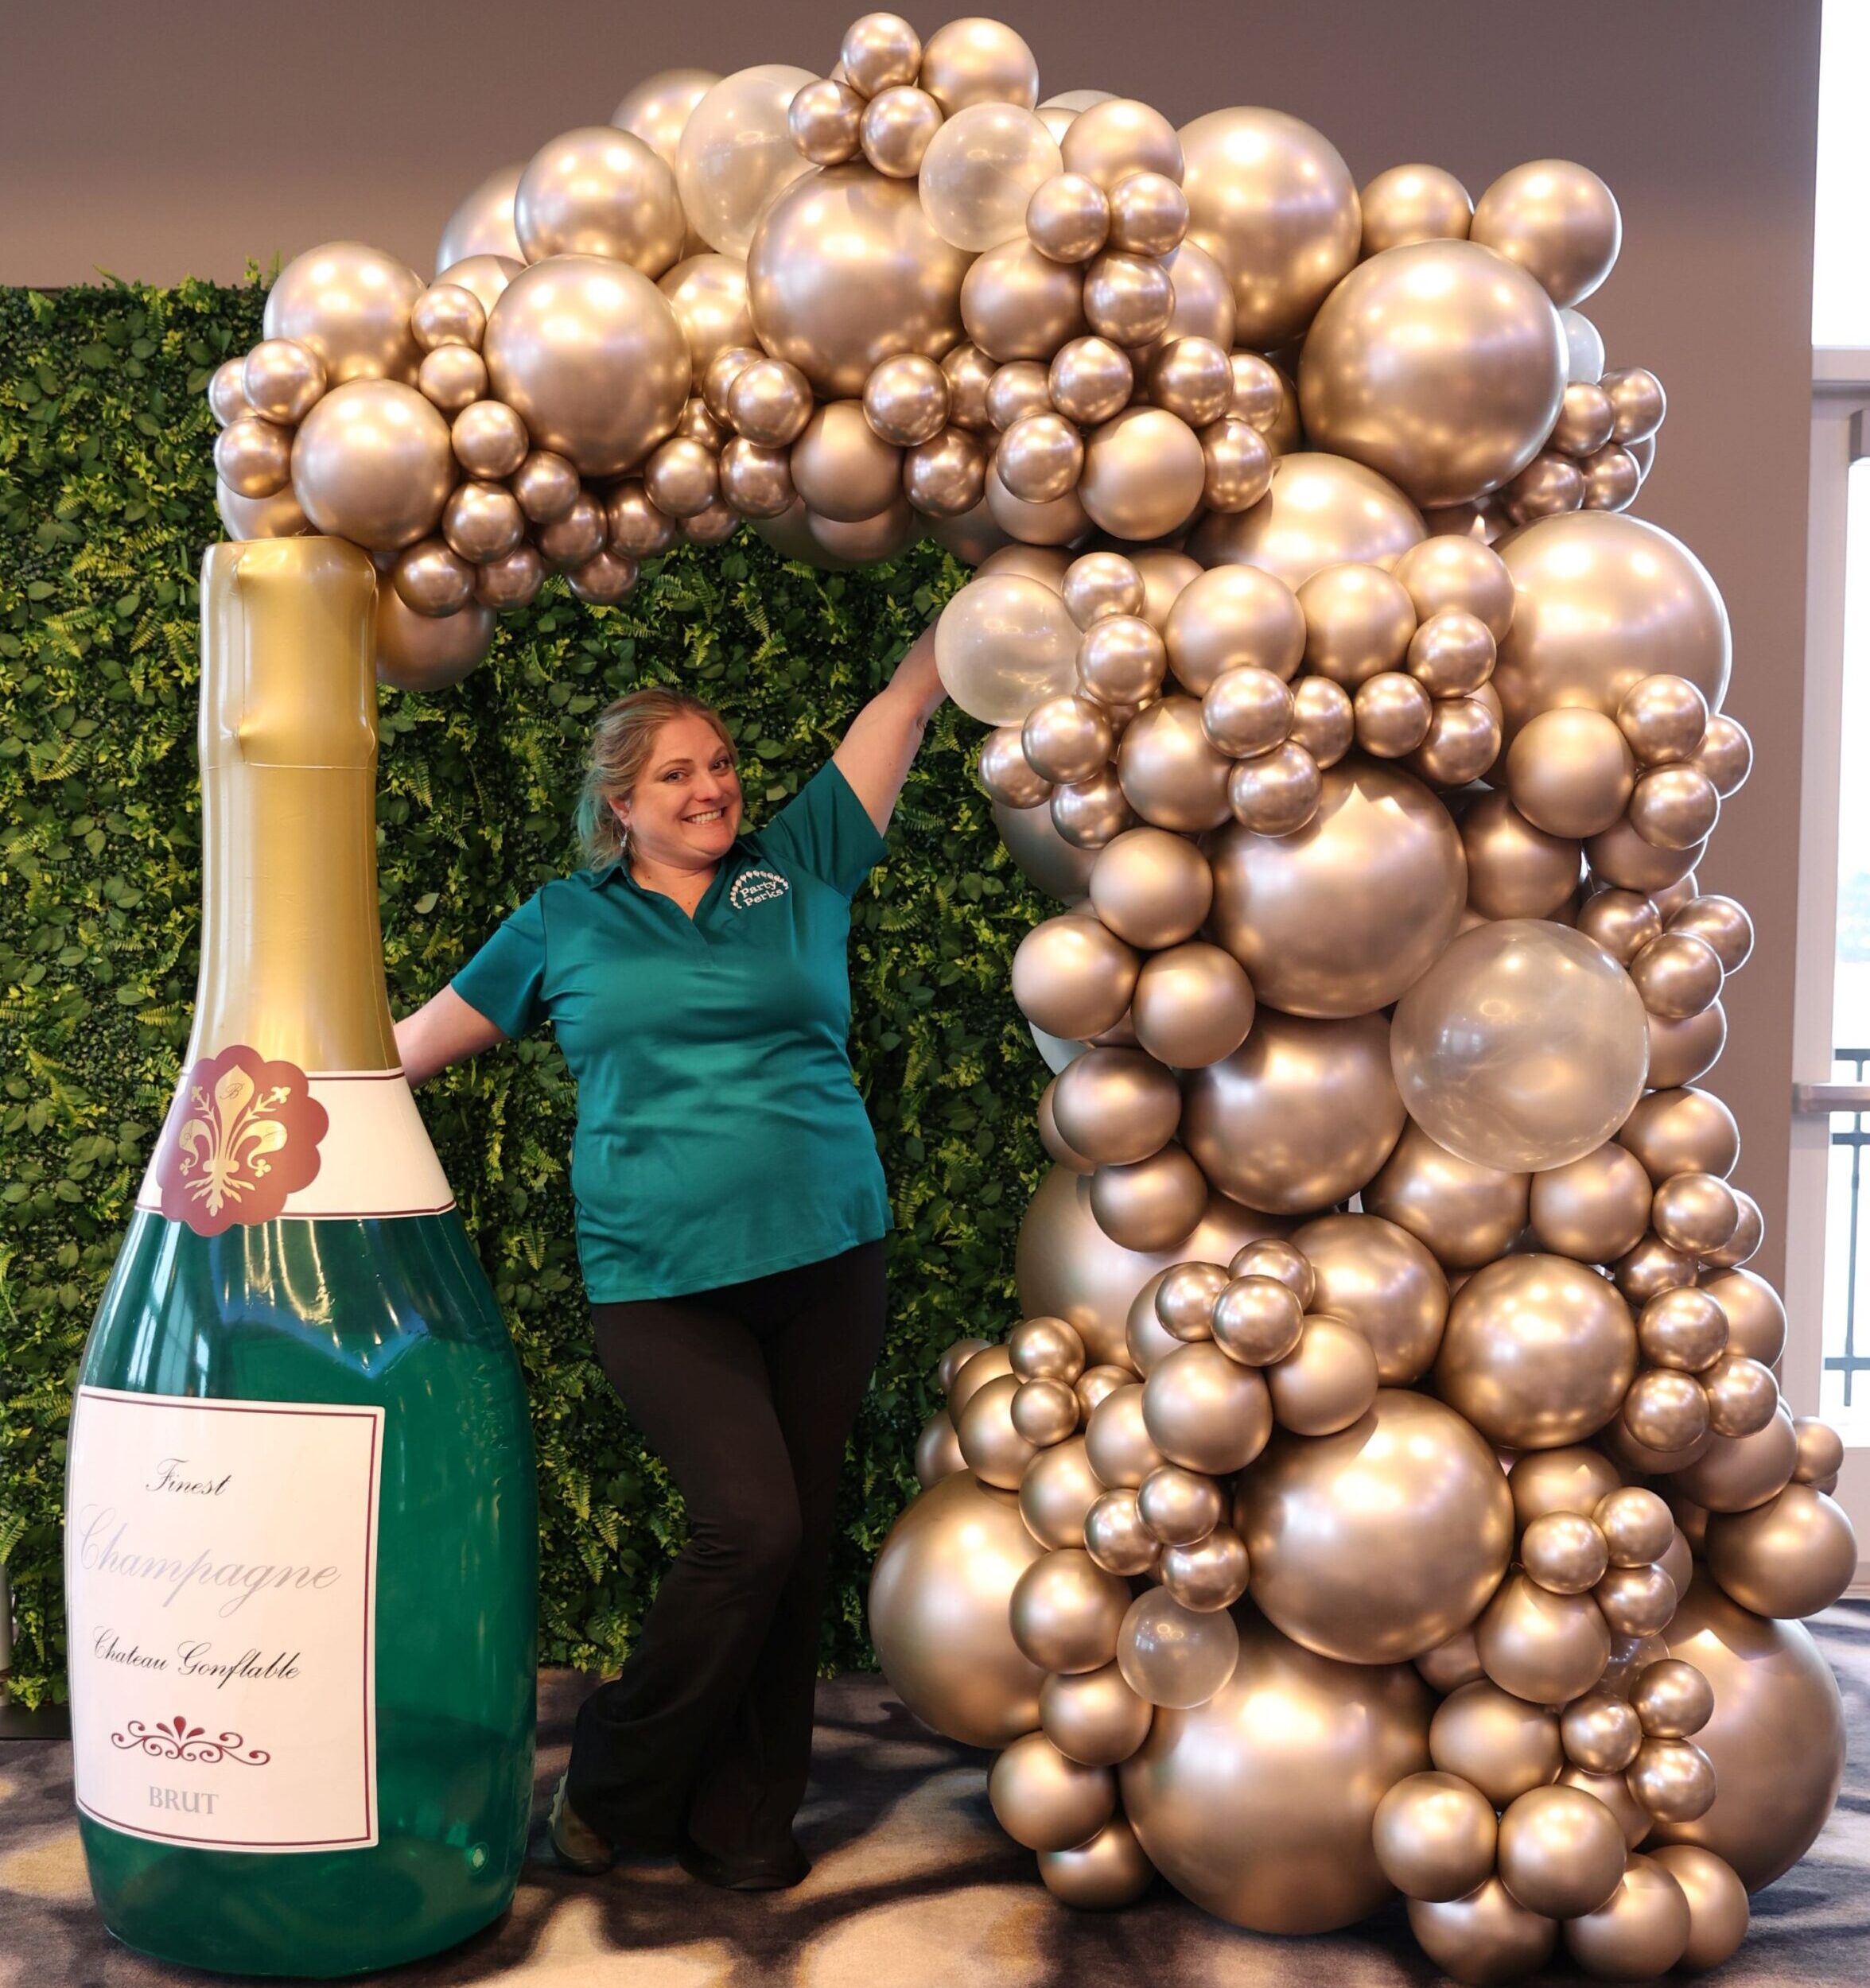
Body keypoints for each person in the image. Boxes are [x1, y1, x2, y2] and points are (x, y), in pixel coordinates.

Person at [395, 623, 947, 1890]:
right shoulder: (562, 923)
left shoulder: (799, 863)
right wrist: (274, 1084)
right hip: (660, 1280)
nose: (712, 789)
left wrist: (987, 592)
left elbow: (908, 699)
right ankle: (612, 1784)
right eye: (677, 774)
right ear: (621, 805)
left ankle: (747, 1822)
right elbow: (407, 1051)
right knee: (748, 1527)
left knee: (797, 1546)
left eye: (722, 764)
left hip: (827, 1259)